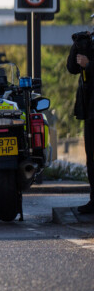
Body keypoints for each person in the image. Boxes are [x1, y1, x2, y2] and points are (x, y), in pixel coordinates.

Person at [67, 26, 94, 214]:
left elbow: (86, 66)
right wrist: (77, 46)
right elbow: (72, 67)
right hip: (90, 108)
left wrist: (89, 64)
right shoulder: (89, 43)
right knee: (91, 157)